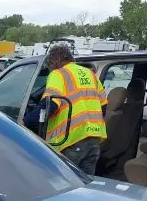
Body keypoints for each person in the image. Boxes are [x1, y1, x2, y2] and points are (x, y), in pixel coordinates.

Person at [31, 45, 109, 175]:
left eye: (49, 66)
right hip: (94, 139)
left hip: (72, 141)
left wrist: (27, 121)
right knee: (86, 185)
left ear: (55, 61)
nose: (49, 69)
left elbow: (50, 106)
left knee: (62, 184)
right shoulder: (90, 74)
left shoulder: (58, 73)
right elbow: (103, 106)